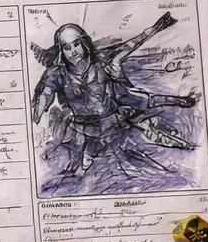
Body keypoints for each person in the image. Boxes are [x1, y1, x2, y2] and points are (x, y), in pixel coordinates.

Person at [30, 13, 198, 177]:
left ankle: (185, 125)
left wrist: (156, 27)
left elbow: (131, 44)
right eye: (67, 47)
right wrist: (38, 109)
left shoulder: (101, 61)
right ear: (61, 51)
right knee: (87, 159)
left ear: (84, 44)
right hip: (87, 124)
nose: (73, 51)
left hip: (114, 113)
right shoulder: (57, 73)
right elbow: (45, 91)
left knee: (150, 122)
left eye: (76, 44)